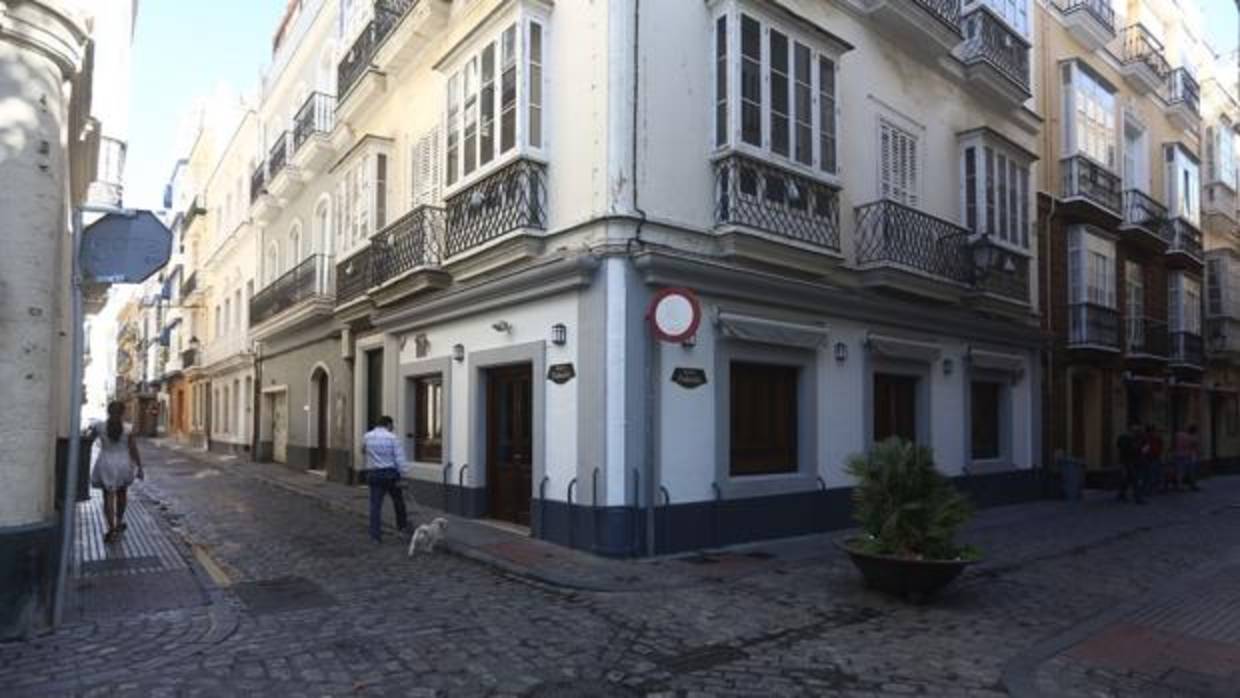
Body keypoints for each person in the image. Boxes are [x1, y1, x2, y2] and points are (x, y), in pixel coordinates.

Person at [88, 401, 144, 543]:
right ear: (123, 413)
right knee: (122, 493)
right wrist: (140, 467)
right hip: (123, 463)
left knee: (107, 496)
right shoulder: (127, 428)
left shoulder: (99, 427)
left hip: (106, 462)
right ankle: (119, 522)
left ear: (108, 411)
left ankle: (111, 528)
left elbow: (88, 440)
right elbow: (133, 449)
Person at [362, 415, 410, 543]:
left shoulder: (367, 436)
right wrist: (404, 475)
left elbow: (363, 450)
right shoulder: (392, 438)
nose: (393, 428)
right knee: (398, 502)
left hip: (375, 474)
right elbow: (399, 458)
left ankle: (375, 536)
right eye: (392, 425)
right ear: (388, 425)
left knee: (375, 506)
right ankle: (402, 529)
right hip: (391, 474)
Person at [1116, 422, 1146, 504]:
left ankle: (1121, 494)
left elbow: (1119, 447)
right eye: (1136, 430)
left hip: (1128, 460)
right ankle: (1138, 498)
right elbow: (1134, 449)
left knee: (1128, 478)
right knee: (1135, 479)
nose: (1137, 431)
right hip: (1131, 460)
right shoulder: (1130, 438)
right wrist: (1139, 448)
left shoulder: (1123, 437)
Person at [1178, 425, 1202, 492]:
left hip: (1182, 455)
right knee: (1192, 471)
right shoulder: (1192, 438)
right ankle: (1192, 484)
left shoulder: (1182, 436)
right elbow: (1195, 446)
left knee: (1182, 471)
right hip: (1190, 456)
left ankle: (1181, 485)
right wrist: (1199, 453)